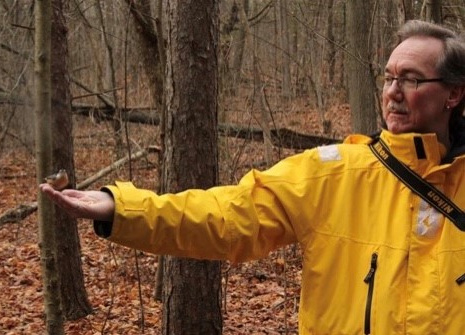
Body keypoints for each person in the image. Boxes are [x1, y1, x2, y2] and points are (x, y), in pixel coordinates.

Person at [41, 20, 465, 334]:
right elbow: (227, 216)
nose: (393, 91)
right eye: (389, 77)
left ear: (454, 93)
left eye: (411, 79)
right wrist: (122, 209)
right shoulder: (335, 173)